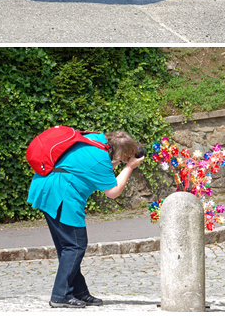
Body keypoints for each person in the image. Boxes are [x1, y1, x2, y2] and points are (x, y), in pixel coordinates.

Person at [26, 130, 144, 308]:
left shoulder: (95, 140)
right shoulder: (100, 159)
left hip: (47, 187)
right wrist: (129, 167)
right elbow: (113, 191)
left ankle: (78, 292)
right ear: (120, 153)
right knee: (75, 246)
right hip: (61, 194)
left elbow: (91, 167)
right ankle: (60, 295)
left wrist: (119, 161)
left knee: (69, 247)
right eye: (123, 157)